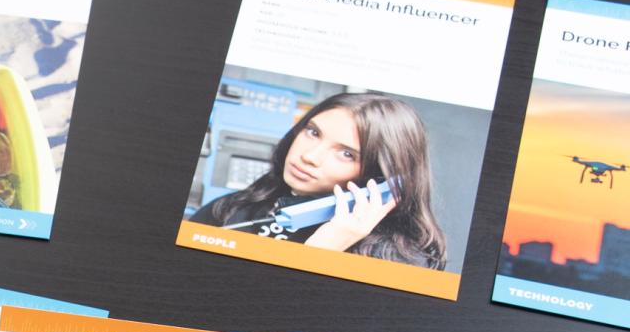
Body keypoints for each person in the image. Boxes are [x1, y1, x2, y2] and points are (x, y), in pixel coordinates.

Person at [190, 92, 448, 270]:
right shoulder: (235, 208)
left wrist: (322, 251)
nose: (309, 156)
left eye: (346, 154)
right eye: (313, 132)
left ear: (379, 177)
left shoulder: (397, 260)